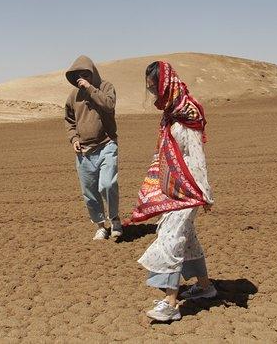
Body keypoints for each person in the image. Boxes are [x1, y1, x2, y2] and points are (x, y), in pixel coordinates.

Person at [128, 61, 215, 322]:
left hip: (189, 188)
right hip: (175, 188)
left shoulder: (186, 113)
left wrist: (204, 192)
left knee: (170, 237)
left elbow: (196, 155)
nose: (153, 94)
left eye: (155, 88)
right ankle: (205, 286)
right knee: (186, 238)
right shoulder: (170, 111)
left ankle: (170, 303)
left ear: (166, 84)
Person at [65, 55, 122, 240]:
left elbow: (109, 104)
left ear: (93, 74)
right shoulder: (73, 96)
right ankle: (100, 226)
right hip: (83, 151)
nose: (82, 78)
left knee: (107, 184)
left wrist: (90, 89)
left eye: (85, 74)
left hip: (106, 144)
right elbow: (69, 121)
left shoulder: (105, 87)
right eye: (78, 76)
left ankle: (114, 219)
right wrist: (73, 137)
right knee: (89, 192)